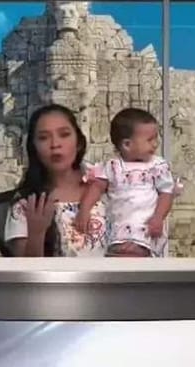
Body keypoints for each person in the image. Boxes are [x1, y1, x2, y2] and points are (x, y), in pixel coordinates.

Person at [3, 104, 108, 257]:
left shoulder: (106, 183)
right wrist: (37, 232)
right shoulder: (26, 204)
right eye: (43, 138)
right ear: (34, 148)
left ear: (78, 142)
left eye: (64, 135)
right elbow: (25, 269)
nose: (55, 144)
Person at [75, 108, 175, 257]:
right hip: (119, 228)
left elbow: (166, 193)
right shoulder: (112, 166)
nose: (155, 144)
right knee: (118, 254)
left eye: (156, 139)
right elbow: (97, 187)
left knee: (142, 256)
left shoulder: (157, 166)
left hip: (147, 227)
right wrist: (84, 210)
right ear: (127, 145)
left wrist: (159, 216)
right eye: (150, 140)